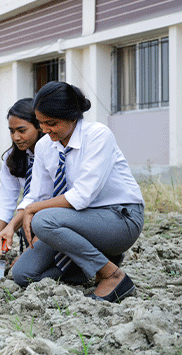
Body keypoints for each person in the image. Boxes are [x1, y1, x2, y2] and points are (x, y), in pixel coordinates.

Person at [11, 81, 144, 303]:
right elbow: (37, 196)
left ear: (72, 117)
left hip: (119, 219)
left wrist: (32, 209)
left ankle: (112, 276)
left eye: (51, 123)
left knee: (43, 221)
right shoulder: (46, 146)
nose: (44, 130)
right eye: (41, 123)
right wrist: (8, 227)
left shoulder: (98, 135)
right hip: (78, 221)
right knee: (23, 274)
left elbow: (81, 196)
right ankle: (102, 260)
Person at [0, 98, 42, 270]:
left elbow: (45, 199)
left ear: (39, 126)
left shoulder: (52, 153)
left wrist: (28, 255)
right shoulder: (13, 157)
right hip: (29, 223)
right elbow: (5, 200)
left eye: (22, 130)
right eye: (11, 131)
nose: (16, 137)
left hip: (50, 223)